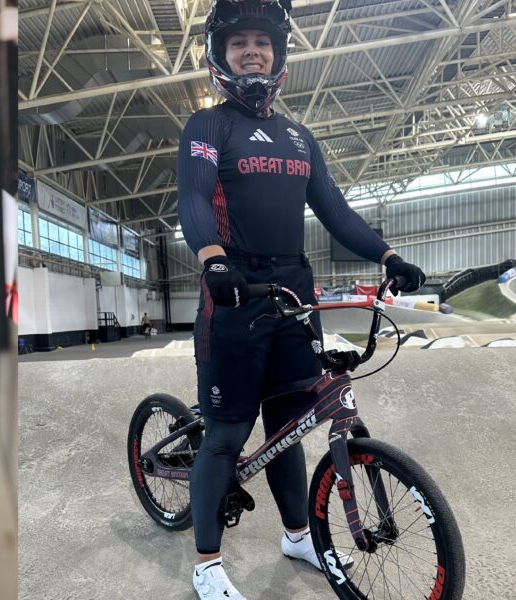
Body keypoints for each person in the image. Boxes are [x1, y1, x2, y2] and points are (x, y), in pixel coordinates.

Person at [176, 2, 426, 599]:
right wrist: (213, 262)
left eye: (262, 42)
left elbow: (335, 212)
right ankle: (207, 564)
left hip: (293, 292)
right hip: (234, 295)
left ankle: (296, 534)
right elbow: (192, 196)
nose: (252, 51)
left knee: (288, 427)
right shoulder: (208, 127)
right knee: (227, 436)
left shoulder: (298, 137)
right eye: (239, 44)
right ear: (220, 57)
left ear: (279, 55)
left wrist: (388, 256)